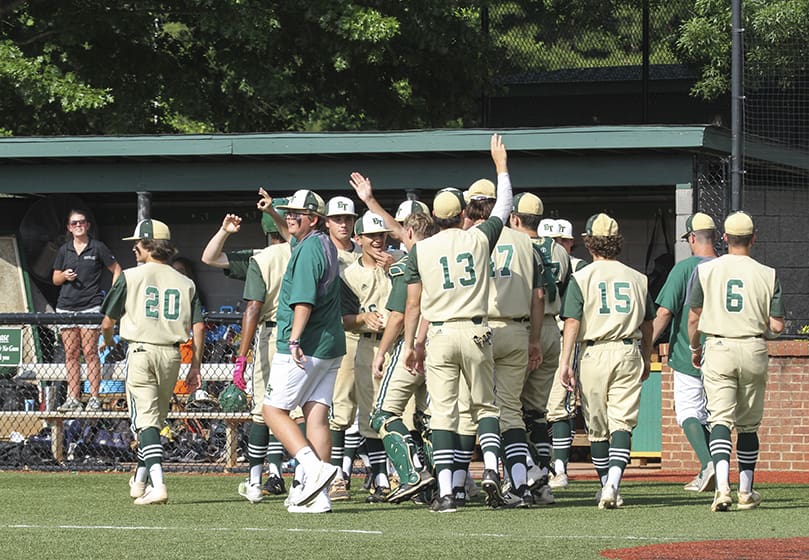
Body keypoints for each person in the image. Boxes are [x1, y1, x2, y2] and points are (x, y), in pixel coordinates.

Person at [402, 133, 513, 513]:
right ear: (463, 212)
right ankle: (493, 470)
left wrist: (411, 345)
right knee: (485, 407)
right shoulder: (479, 238)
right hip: (478, 330)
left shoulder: (421, 248)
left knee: (444, 412)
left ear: (433, 216)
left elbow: (413, 304)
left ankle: (448, 492)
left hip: (441, 332)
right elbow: (503, 208)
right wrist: (501, 167)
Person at [100, 218, 203, 505]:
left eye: (138, 243)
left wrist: (109, 343)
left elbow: (107, 322)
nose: (134, 248)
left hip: (141, 351)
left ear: (149, 245)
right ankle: (140, 480)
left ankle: (158, 484)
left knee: (144, 421)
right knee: (155, 420)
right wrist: (195, 364)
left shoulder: (130, 276)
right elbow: (198, 326)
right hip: (171, 354)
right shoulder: (186, 281)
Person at [687, 211, 785, 512]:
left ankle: (721, 488)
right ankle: (745, 491)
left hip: (718, 345)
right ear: (754, 238)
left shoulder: (706, 270)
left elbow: (694, 316)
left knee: (719, 419)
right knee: (748, 425)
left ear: (725, 238)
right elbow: (778, 327)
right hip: (753, 347)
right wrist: (759, 329)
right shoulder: (767, 273)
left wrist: (694, 347)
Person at [559, 213, 654, 510]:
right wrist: (647, 353)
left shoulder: (581, 276)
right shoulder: (638, 277)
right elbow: (648, 322)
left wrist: (565, 362)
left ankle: (606, 485)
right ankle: (613, 482)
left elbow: (572, 322)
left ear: (588, 243)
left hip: (594, 352)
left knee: (597, 428)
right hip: (628, 349)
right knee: (622, 423)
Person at [262, 189, 345, 514]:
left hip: (305, 344)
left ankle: (313, 468)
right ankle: (319, 497)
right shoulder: (318, 241)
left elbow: (303, 301)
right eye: (290, 212)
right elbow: (290, 232)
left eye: (298, 213)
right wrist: (274, 213)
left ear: (314, 219)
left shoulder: (310, 249)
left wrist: (294, 339)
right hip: (329, 345)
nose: (291, 217)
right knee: (316, 415)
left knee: (273, 411)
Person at [463, 189, 544, 508]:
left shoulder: (470, 238)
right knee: (511, 411)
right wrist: (534, 339)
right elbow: (539, 296)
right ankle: (521, 484)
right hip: (517, 327)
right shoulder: (526, 241)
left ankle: (466, 480)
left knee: (475, 408)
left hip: (480, 327)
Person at [652, 212, 718, 493]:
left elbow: (665, 311)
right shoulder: (727, 266)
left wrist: (647, 344)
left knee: (689, 411)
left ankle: (709, 464)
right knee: (717, 416)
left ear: (692, 238)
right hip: (724, 352)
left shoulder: (685, 268)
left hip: (689, 350)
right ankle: (715, 466)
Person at [509, 194, 569, 498]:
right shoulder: (558, 249)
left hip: (524, 327)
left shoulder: (514, 245)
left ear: (515, 218)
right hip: (551, 328)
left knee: (509, 408)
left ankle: (529, 470)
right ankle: (543, 478)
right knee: (537, 411)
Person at [231, 208, 292, 503]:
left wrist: (242, 357)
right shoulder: (307, 250)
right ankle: (305, 477)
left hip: (272, 334)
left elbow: (253, 308)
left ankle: (255, 481)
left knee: (263, 411)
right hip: (306, 334)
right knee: (304, 410)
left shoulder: (262, 258)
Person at [53, 209, 122, 413]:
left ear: (88, 225)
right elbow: (55, 278)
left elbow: (117, 269)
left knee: (91, 352)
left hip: (91, 305)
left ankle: (94, 397)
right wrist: (65, 275)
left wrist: (113, 297)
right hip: (65, 306)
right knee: (71, 353)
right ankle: (73, 397)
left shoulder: (98, 247)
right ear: (69, 227)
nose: (78, 226)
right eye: (74, 223)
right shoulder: (64, 250)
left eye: (81, 222)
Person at [324, 195, 363, 500]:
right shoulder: (322, 251)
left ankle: (360, 473)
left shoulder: (364, 252)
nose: (343, 223)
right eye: (338, 218)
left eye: (348, 218)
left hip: (367, 335)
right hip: (334, 335)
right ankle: (335, 475)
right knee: (339, 411)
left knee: (368, 411)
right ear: (327, 222)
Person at [545, 217, 588, 489]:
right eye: (552, 241)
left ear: (571, 243)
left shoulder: (580, 268)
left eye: (562, 240)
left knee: (559, 405)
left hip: (565, 337)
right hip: (534, 336)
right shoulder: (531, 260)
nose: (557, 245)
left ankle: (559, 467)